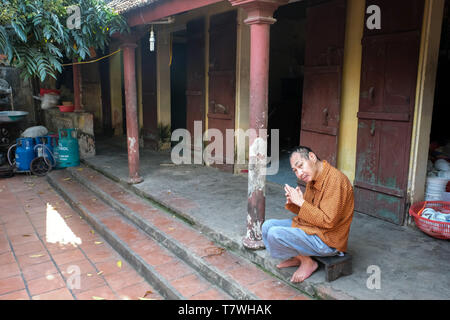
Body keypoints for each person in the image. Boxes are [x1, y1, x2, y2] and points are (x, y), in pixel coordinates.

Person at [262, 146, 354, 283]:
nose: (299, 173)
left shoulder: (335, 181)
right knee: (267, 226)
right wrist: (295, 203)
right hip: (313, 228)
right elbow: (309, 213)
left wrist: (301, 203)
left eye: (300, 166)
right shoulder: (313, 178)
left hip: (328, 240)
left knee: (275, 233)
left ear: (312, 157)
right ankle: (298, 257)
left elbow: (328, 221)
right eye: (295, 171)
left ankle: (307, 262)